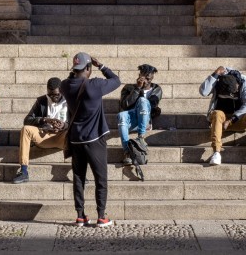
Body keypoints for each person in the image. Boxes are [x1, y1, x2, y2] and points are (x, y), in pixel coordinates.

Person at [60, 52, 120, 228]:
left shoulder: (65, 85)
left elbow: (70, 79)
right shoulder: (95, 85)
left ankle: (80, 216)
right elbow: (116, 80)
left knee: (79, 178)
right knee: (100, 178)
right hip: (95, 139)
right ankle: (101, 216)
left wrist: (79, 71)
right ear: (88, 68)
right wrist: (101, 65)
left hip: (76, 139)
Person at [199, 66, 246, 166]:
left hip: (238, 119)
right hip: (220, 121)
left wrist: (232, 119)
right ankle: (216, 152)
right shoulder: (217, 80)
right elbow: (203, 92)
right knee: (217, 113)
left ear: (238, 84)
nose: (232, 96)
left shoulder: (243, 80)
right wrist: (215, 74)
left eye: (234, 93)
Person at [12, 77, 68, 183]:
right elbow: (27, 120)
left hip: (63, 137)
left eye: (56, 94)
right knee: (26, 129)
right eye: (50, 94)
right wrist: (44, 120)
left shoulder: (69, 101)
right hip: (44, 136)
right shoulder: (41, 100)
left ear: (62, 91)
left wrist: (64, 125)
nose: (53, 97)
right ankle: (23, 171)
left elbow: (78, 121)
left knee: (75, 132)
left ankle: (79, 171)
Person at [117, 64, 162, 164]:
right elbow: (125, 105)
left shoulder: (156, 89)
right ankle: (127, 152)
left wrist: (141, 94)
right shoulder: (128, 88)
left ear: (152, 77)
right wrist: (137, 88)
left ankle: (141, 137)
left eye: (148, 78)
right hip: (131, 119)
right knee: (121, 115)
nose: (146, 81)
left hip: (145, 122)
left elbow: (152, 105)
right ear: (139, 75)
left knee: (142, 101)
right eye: (143, 77)